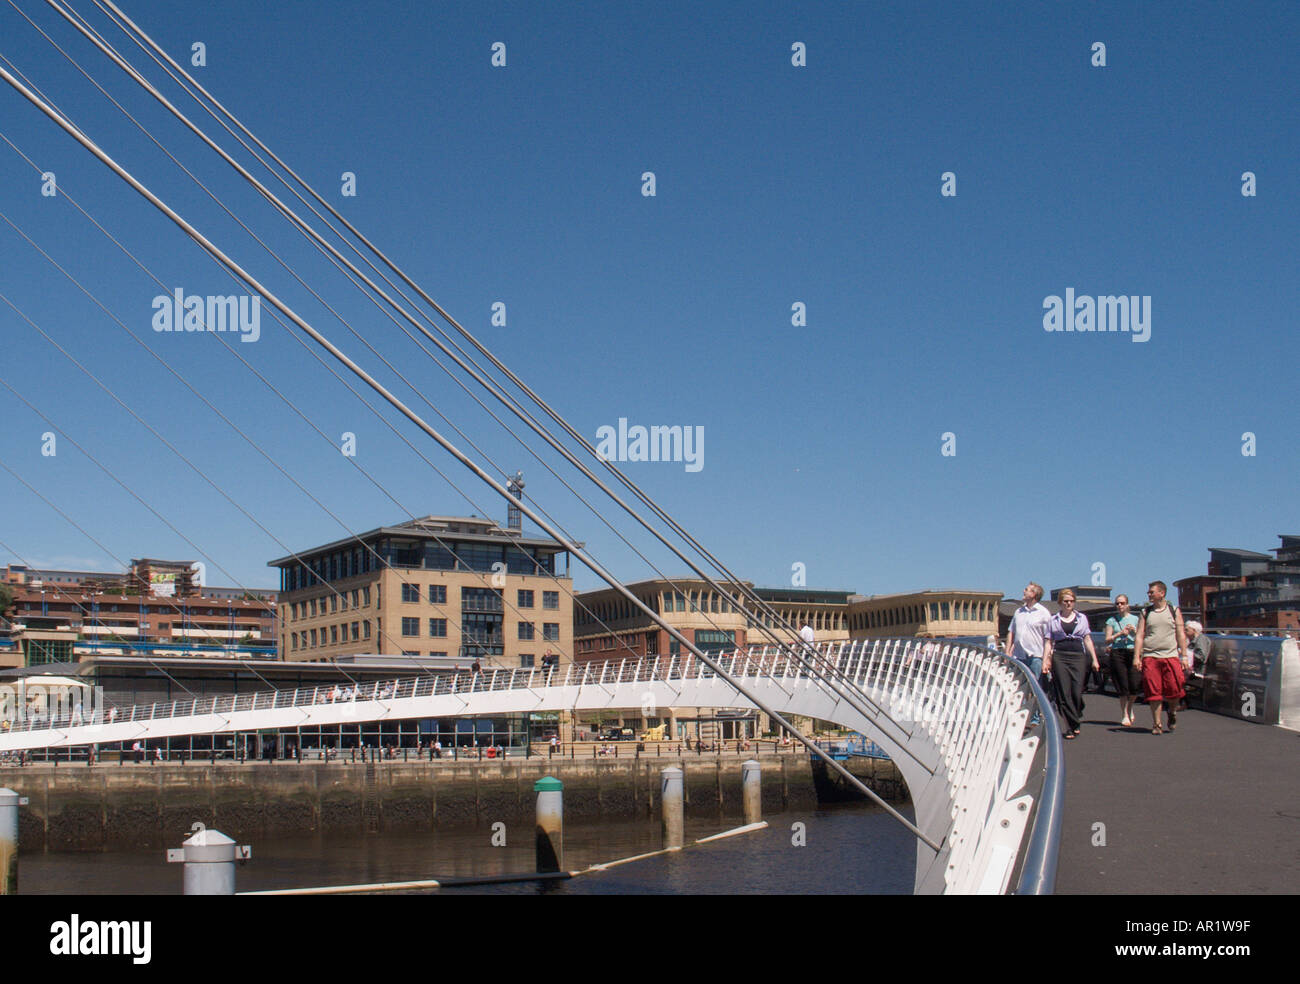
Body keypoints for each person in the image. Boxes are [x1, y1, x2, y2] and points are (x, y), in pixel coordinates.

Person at [1133, 580, 1187, 734]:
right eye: (1149, 592)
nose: (1149, 594)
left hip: (1170, 655)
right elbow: (1139, 636)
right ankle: (1157, 724)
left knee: (1174, 688)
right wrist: (1137, 657)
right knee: (1153, 690)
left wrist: (1184, 656)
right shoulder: (1145, 612)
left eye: (1152, 592)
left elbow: (1181, 634)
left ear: (1161, 593)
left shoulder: (1174, 610)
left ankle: (1172, 711)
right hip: (1151, 656)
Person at [1046, 589, 1100, 738]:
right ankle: (1071, 725)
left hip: (1078, 656)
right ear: (1060, 603)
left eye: (1071, 601)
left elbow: (1087, 639)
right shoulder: (1053, 619)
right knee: (1064, 692)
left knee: (1076, 691)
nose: (1069, 604)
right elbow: (1049, 642)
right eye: (1065, 601)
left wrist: (1094, 659)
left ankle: (1077, 710)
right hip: (1060, 656)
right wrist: (1046, 660)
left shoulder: (1082, 618)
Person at [1005, 583, 1052, 721]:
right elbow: (1011, 633)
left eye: (1027, 590)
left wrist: (1046, 659)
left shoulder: (1044, 613)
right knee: (1020, 689)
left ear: (1034, 595)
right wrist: (1008, 651)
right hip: (1019, 657)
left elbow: (1048, 638)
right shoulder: (1018, 612)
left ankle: (1035, 718)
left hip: (1036, 656)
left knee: (1036, 689)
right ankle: (1023, 716)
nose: (1023, 591)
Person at [1105, 594, 1142, 726]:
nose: (1120, 606)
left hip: (1133, 652)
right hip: (1117, 652)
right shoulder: (1111, 620)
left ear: (1127, 605)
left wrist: (1134, 631)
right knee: (1122, 685)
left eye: (1122, 603)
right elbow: (1107, 639)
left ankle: (1130, 707)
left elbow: (1142, 636)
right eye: (1117, 603)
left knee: (1134, 685)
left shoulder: (1135, 619)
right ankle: (1124, 713)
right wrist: (1120, 634)